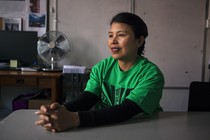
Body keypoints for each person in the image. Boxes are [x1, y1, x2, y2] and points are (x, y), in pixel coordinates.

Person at [35, 12, 165, 132]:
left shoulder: (151, 74)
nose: (113, 41)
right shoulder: (102, 67)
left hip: (141, 129)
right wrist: (61, 109)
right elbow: (88, 98)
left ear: (139, 41)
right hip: (106, 127)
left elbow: (127, 110)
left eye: (121, 35)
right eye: (110, 35)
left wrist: (74, 119)